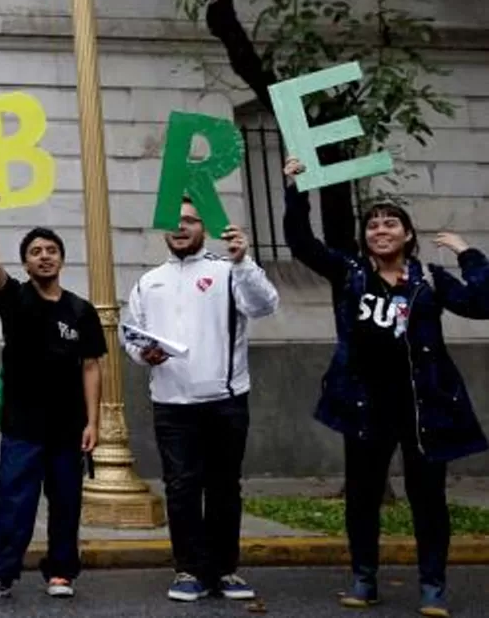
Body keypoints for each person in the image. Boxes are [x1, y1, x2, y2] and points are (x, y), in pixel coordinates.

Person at [283, 156, 488, 618]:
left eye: (390, 223)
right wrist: (293, 189)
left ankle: (433, 585)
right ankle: (364, 577)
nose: (380, 230)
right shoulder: (350, 273)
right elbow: (302, 244)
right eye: (373, 225)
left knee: (428, 500)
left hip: (424, 407)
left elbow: (483, 303)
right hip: (364, 405)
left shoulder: (431, 281)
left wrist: (467, 253)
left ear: (408, 235)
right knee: (362, 495)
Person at [122, 198, 279, 602]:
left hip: (225, 400)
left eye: (190, 221)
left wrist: (245, 261)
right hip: (171, 403)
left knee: (225, 487)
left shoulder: (228, 272)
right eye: (174, 223)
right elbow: (132, 335)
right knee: (181, 487)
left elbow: (264, 306)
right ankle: (189, 569)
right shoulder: (148, 281)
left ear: (203, 228)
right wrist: (143, 353)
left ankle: (225, 570)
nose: (181, 228)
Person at [0, 185, 103, 601]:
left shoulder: (81, 311)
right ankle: (0, 573)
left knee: (66, 503)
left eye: (51, 249)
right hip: (21, 423)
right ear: (26, 263)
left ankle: (61, 572)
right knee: (15, 501)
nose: (44, 255)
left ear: (61, 258)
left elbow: (91, 366)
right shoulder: (14, 299)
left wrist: (94, 422)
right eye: (35, 251)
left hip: (68, 427)